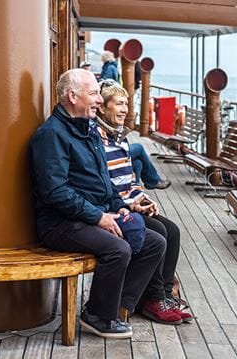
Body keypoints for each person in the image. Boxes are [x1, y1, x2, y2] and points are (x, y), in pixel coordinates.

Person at [29, 69, 167, 339]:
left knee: (155, 242)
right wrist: (98, 217)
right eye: (93, 94)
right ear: (72, 96)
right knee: (119, 249)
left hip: (89, 214)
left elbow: (104, 182)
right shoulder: (52, 135)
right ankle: (97, 316)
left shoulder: (88, 128)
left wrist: (121, 206)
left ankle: (116, 308)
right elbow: (54, 192)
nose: (99, 101)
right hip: (60, 223)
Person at [96, 80, 192, 325]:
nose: (124, 109)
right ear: (102, 108)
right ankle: (154, 297)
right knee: (158, 231)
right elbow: (109, 185)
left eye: (126, 104)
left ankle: (162, 295)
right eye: (118, 104)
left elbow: (129, 181)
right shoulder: (98, 141)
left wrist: (144, 200)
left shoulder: (120, 140)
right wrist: (131, 206)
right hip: (112, 208)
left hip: (129, 202)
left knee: (173, 230)